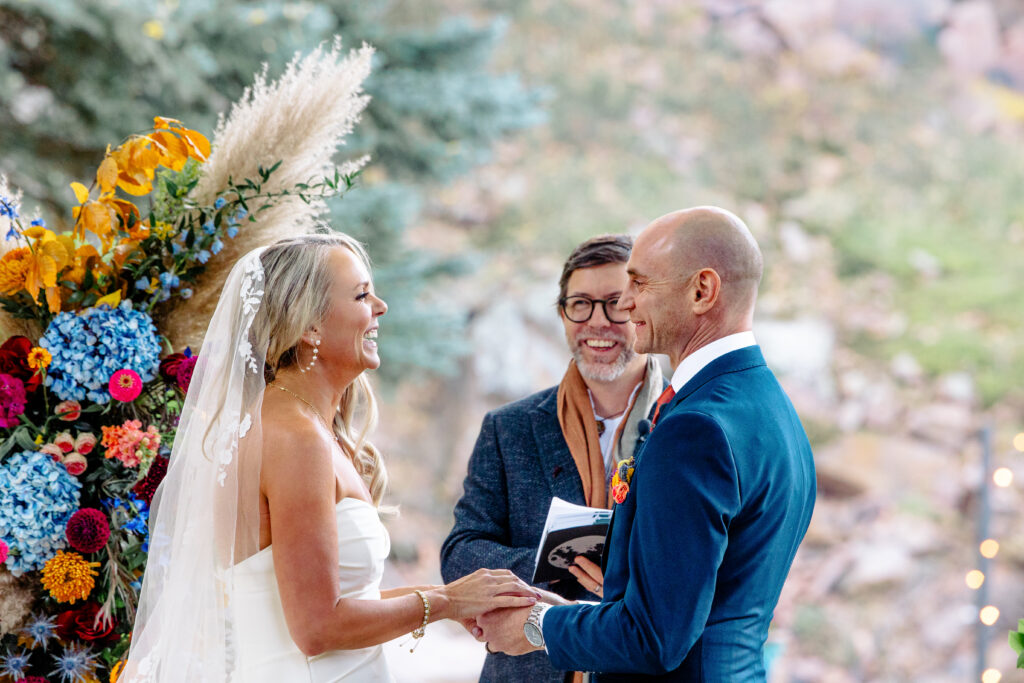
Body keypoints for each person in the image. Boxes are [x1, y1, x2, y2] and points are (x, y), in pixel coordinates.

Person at [122, 232, 538, 683]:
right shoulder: (295, 438)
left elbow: (340, 597)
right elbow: (317, 627)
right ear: (309, 326)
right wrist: (446, 603)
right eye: (361, 295)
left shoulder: (299, 425)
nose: (381, 307)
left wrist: (452, 597)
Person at [477, 207, 817, 681]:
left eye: (639, 284)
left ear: (702, 291)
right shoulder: (770, 407)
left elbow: (654, 637)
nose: (627, 304)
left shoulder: (695, 430)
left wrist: (538, 625)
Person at [441, 234, 665, 683]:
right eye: (579, 304)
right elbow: (460, 553)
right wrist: (558, 569)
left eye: (616, 303)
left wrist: (624, 573)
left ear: (642, 309)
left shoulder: (684, 424)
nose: (596, 322)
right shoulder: (510, 427)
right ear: (562, 313)